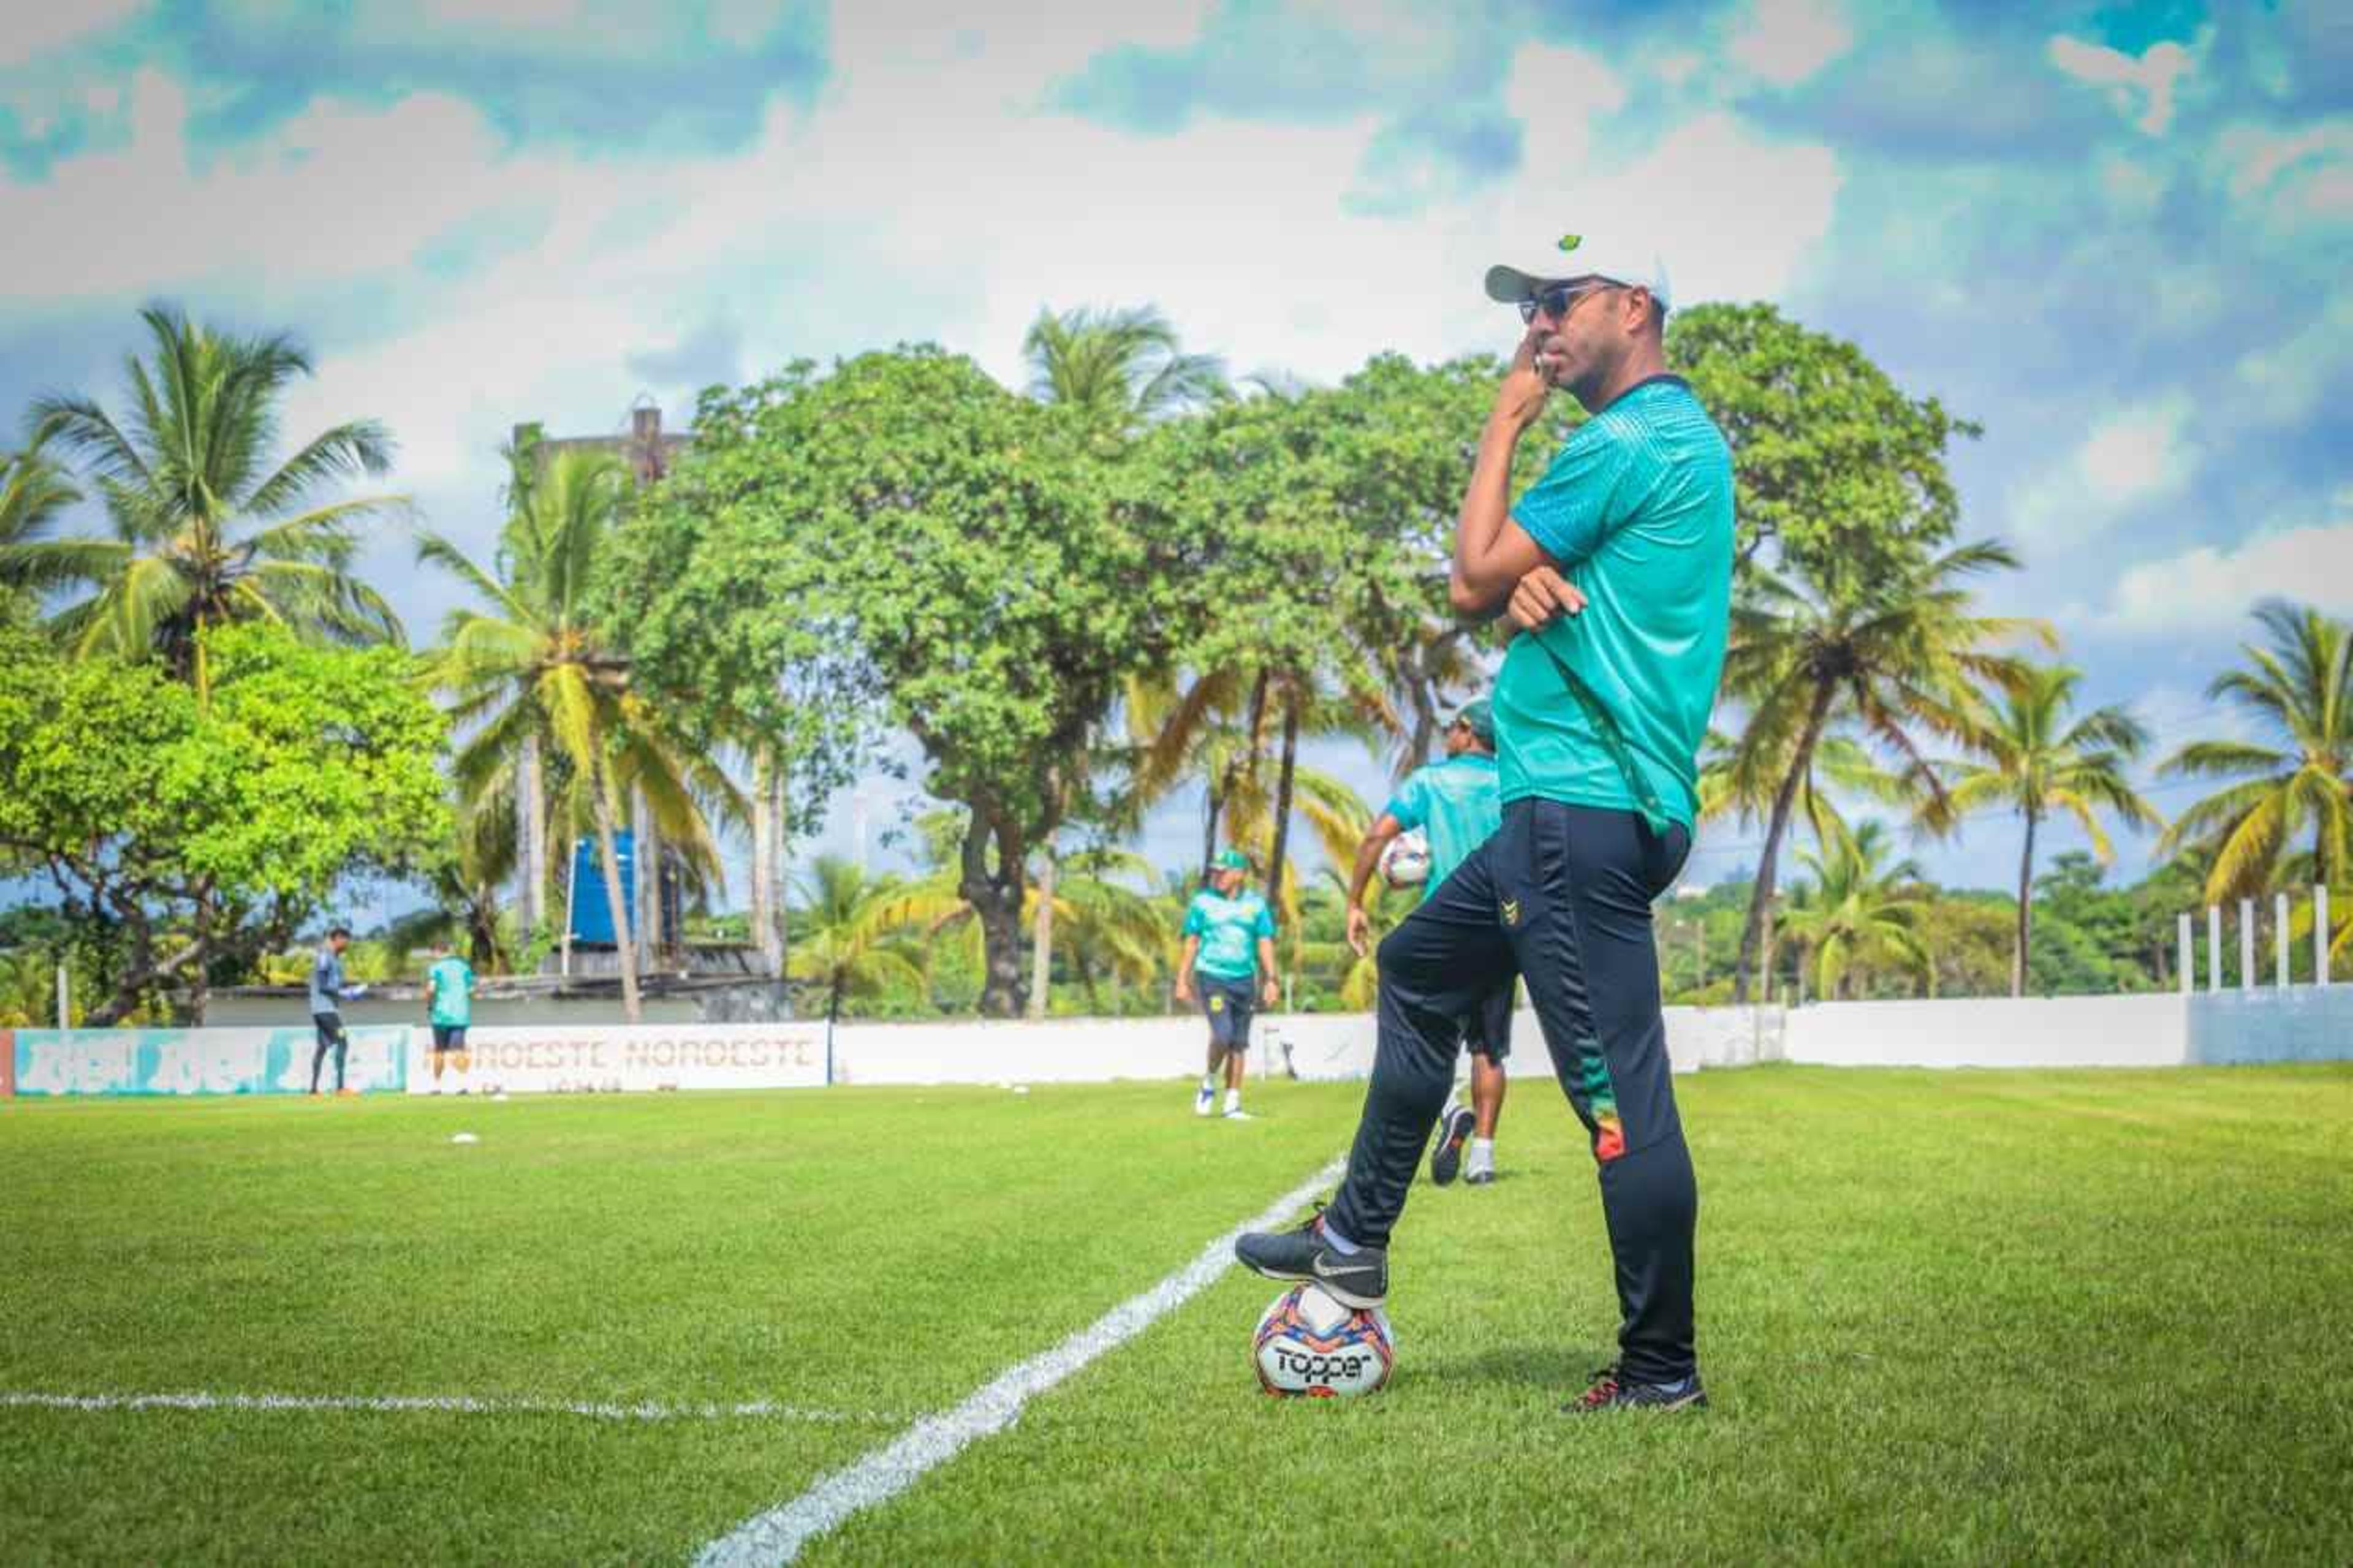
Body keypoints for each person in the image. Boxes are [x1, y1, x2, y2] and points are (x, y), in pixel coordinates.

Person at [1238, 234, 1733, 1414]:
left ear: (1635, 304)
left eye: (1560, 303)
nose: (1538, 328)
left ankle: (1661, 1367)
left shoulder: (1625, 439)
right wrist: (1527, 589)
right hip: (1571, 804)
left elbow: (1466, 574)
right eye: (1528, 311)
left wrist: (1506, 419)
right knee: (1415, 964)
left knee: (1619, 1094)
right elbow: (1515, 587)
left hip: (1581, 803)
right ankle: (1354, 1238)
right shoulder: (1680, 446)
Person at [1345, 698, 1510, 1186]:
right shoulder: (1511, 784)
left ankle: (1449, 1110)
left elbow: (1378, 836)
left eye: (1452, 729)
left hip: (1444, 926)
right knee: (1491, 1048)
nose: (1447, 737)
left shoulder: (1431, 782)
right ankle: (1483, 1155)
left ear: (1465, 732)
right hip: (1503, 928)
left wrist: (1356, 899)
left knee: (1423, 1041)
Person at [1175, 848, 1279, 1119]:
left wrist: (1271, 979)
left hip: (1245, 979)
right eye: (1215, 871)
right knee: (1222, 1034)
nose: (1218, 875)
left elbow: (1265, 941)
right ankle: (1209, 1082)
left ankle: (1232, 1104)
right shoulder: (1202, 902)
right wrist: (1182, 980)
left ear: (1240, 874)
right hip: (1212, 977)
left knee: (1238, 1042)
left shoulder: (1256, 905)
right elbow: (1192, 941)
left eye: (1224, 871)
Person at [308, 926, 366, 1097]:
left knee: (322, 1047)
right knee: (343, 1041)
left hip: (325, 1009)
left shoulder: (335, 958)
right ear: (338, 939)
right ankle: (340, 1088)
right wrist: (345, 993)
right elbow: (322, 984)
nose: (347, 944)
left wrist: (352, 991)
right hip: (325, 1009)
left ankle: (313, 1090)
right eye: (346, 940)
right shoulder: (325, 956)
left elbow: (333, 985)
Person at [425, 949, 476, 1094]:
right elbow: (471, 991)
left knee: (439, 1051)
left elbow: (431, 989)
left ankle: (436, 1086)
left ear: (438, 951)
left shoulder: (436, 967)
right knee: (458, 1050)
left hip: (441, 1015)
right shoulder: (464, 967)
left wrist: (429, 1005)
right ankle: (463, 1085)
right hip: (460, 1015)